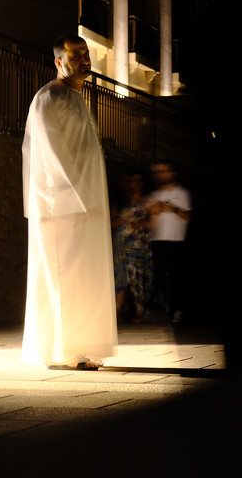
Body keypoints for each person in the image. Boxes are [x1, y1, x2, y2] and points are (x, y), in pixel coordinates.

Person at [21, 34, 118, 369]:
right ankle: (68, 351)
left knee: (78, 278)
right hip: (60, 206)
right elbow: (51, 153)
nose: (84, 59)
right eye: (76, 55)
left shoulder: (75, 98)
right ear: (59, 62)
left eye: (86, 53)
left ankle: (74, 348)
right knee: (63, 276)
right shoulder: (49, 97)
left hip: (81, 207)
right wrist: (76, 198)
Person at [147, 161, 191, 323]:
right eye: (157, 172)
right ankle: (164, 310)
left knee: (176, 277)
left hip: (176, 241)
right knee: (159, 278)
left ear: (172, 173)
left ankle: (178, 310)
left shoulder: (182, 193)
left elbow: (187, 217)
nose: (160, 175)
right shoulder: (153, 196)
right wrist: (151, 211)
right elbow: (149, 221)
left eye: (163, 171)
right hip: (156, 241)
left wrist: (172, 208)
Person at [111, 171, 153, 322]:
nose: (133, 184)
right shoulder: (119, 204)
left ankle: (139, 311)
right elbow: (110, 223)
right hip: (120, 244)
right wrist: (123, 222)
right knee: (120, 275)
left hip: (137, 244)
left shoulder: (148, 202)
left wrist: (137, 224)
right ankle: (118, 310)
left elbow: (152, 223)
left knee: (136, 275)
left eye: (137, 181)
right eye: (130, 181)